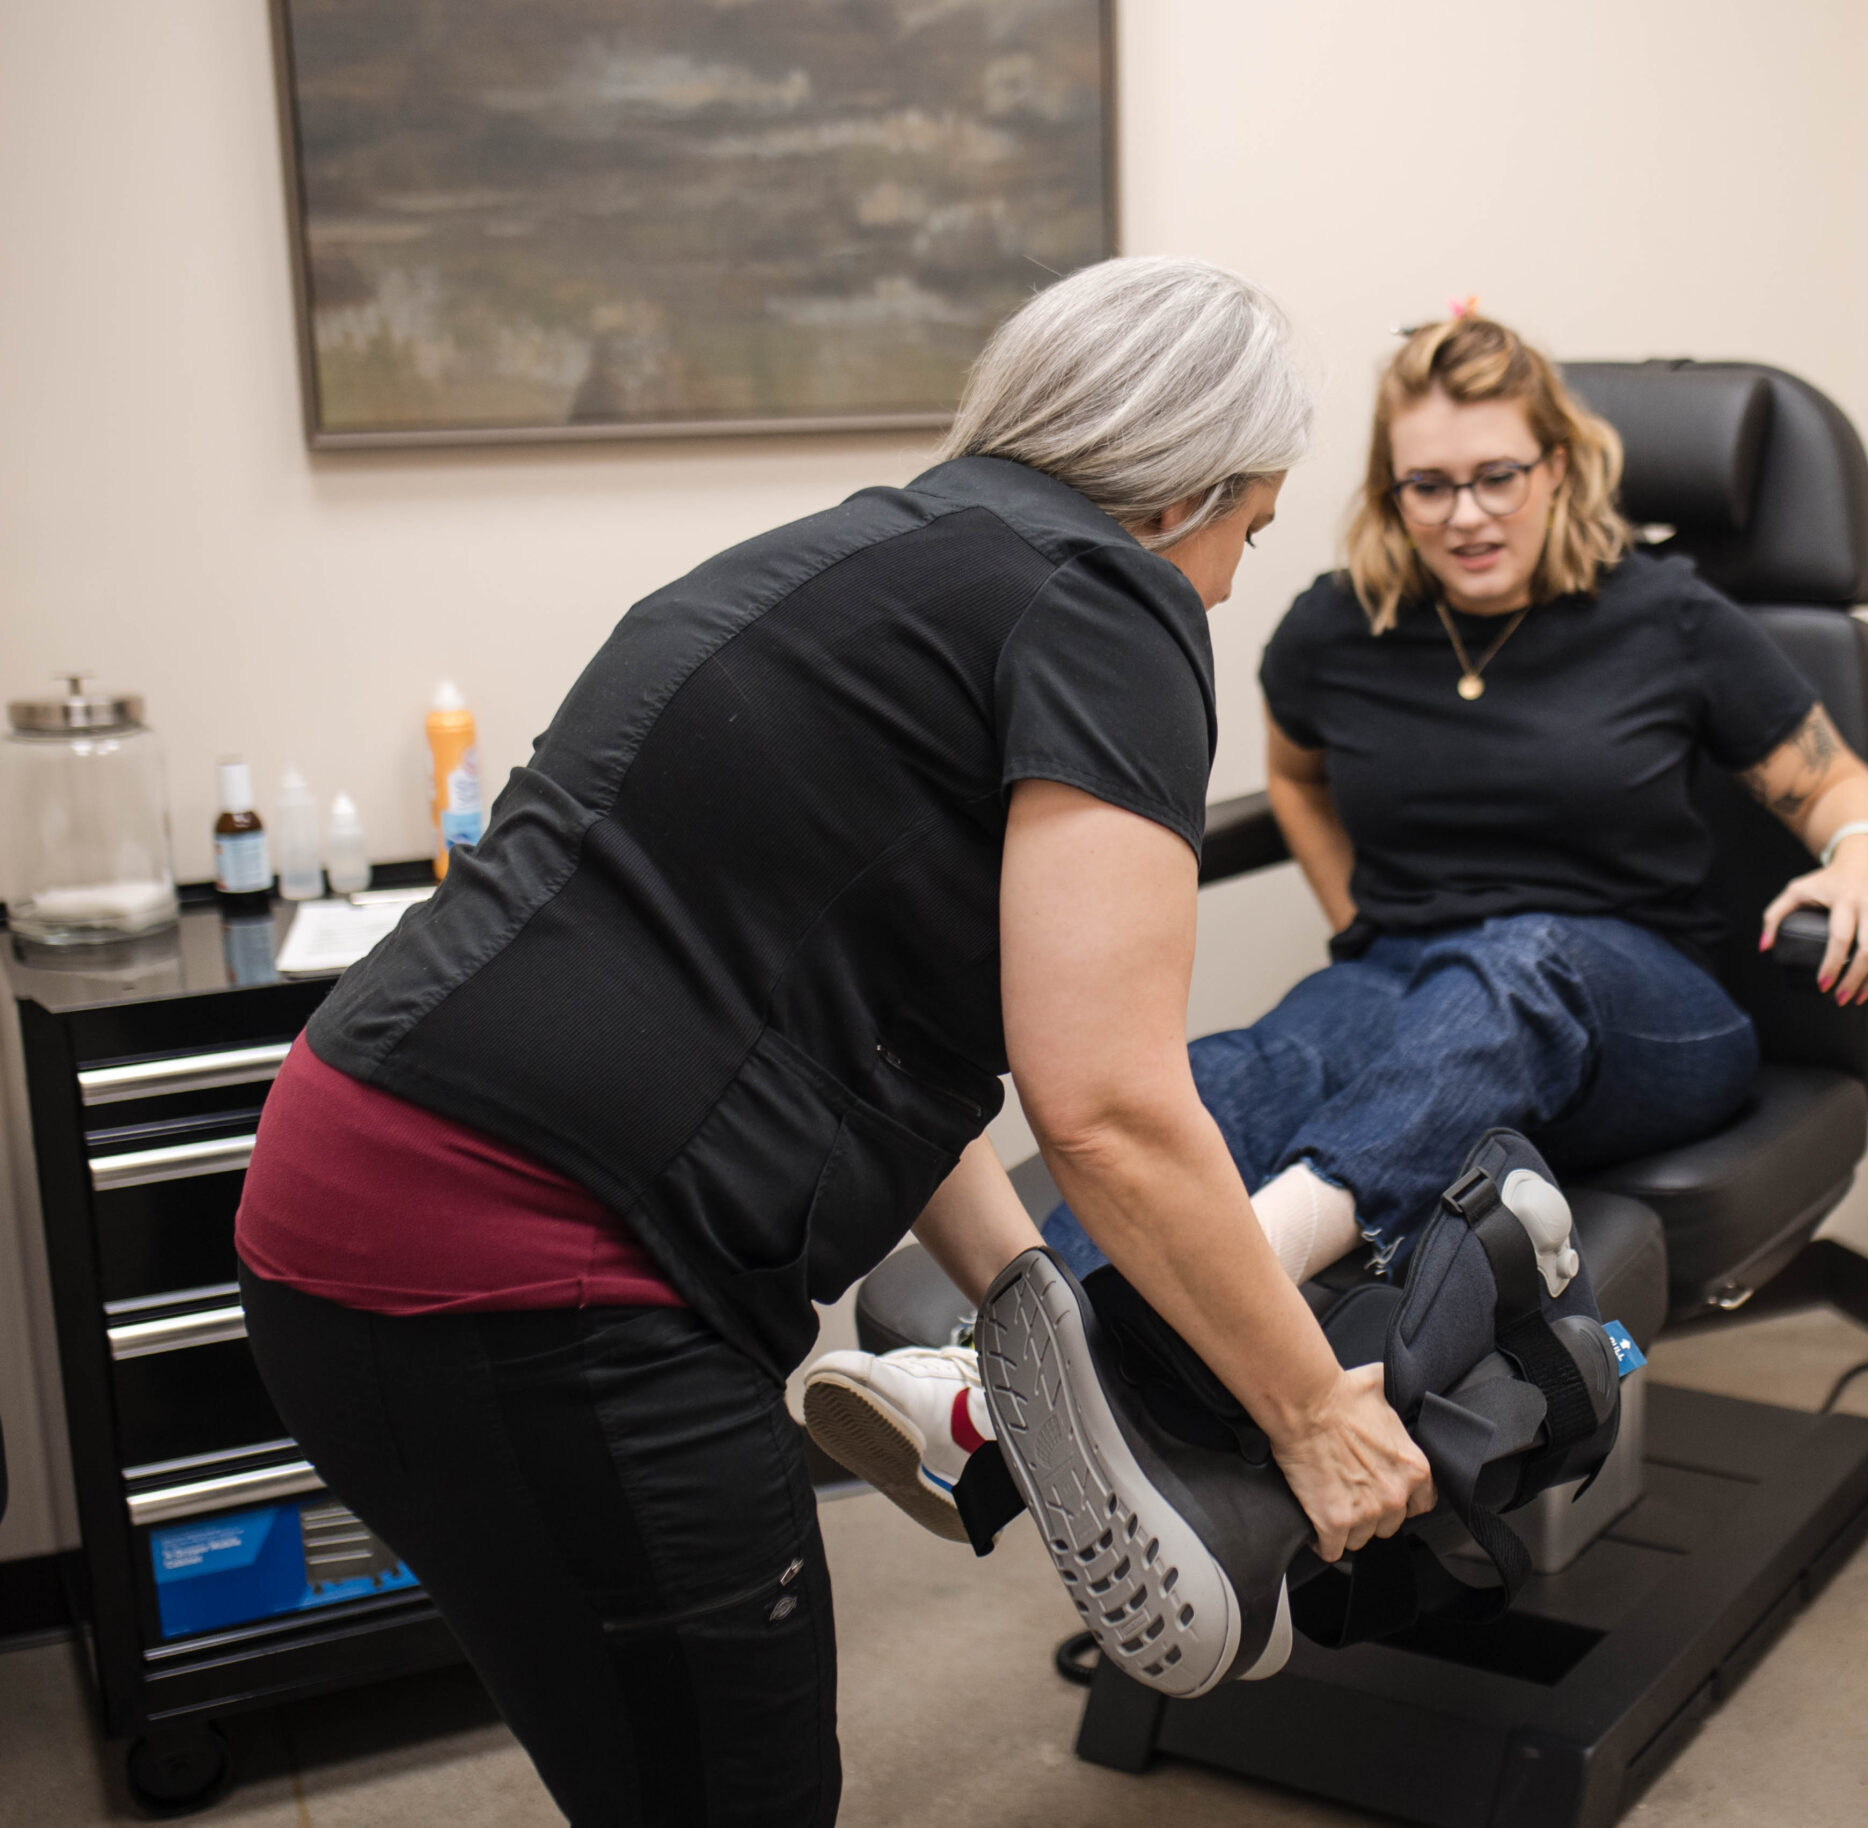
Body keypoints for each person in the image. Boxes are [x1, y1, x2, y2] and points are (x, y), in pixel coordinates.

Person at [233, 256, 1434, 1828]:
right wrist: (1317, 1412)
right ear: (1183, 490)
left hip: (328, 1221)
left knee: (642, 1766)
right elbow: (1114, 1112)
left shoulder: (831, 562)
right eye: (1247, 535)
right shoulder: (1111, 602)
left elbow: (854, 1016)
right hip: (538, 1276)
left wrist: (1035, 1313)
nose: (1224, 586)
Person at [814, 306, 1868, 1532]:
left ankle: (1244, 1293)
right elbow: (1297, 777)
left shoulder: (1667, 615)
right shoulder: (1337, 629)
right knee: (1231, 1075)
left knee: (1518, 963)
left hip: (1640, 1005)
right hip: (1410, 983)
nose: (1465, 512)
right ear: (1391, 494)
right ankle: (988, 1371)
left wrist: (1864, 852)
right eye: (1427, 485)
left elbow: (1830, 781)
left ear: (1560, 465)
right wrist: (1356, 916)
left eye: (1498, 475)